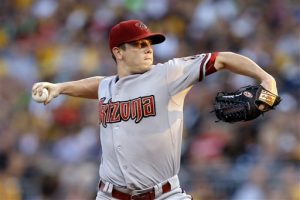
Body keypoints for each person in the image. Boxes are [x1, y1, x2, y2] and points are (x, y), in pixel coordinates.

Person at [32, 19, 278, 200]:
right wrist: (60, 87)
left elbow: (224, 58)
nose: (148, 48)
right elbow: (97, 84)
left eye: (149, 43)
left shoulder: (168, 74)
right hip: (109, 195)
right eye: (138, 44)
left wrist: (267, 80)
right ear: (118, 52)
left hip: (164, 195)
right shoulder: (107, 86)